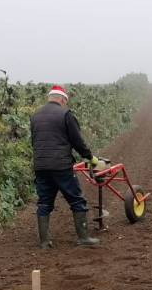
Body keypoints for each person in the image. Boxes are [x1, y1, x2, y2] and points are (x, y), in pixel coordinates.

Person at [29, 85, 103, 248]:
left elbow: (35, 141)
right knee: (76, 200)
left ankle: (44, 242)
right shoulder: (65, 114)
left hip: (40, 165)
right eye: (66, 102)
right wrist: (90, 157)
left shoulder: (35, 115)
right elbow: (77, 141)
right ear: (62, 99)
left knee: (44, 202)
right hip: (61, 166)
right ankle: (83, 238)